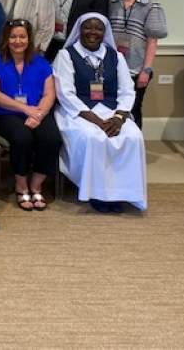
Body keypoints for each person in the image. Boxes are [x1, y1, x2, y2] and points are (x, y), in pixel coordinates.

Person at [52, 13, 147, 212]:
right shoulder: (66, 55)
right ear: (79, 30)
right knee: (94, 137)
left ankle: (123, 192)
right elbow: (65, 93)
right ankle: (97, 194)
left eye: (98, 28)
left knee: (133, 136)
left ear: (105, 32)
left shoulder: (116, 56)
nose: (92, 32)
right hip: (78, 112)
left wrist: (119, 118)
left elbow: (127, 90)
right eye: (88, 27)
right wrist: (96, 120)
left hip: (113, 112)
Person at [0, 19, 62, 210]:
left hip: (38, 112)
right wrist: (25, 109)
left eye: (22, 36)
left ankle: (36, 184)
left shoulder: (41, 63)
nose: (17, 41)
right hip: (5, 113)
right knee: (22, 138)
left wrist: (39, 113)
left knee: (51, 138)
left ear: (29, 39)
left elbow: (49, 94)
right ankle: (21, 185)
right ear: (6, 39)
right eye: (13, 36)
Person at [108, 0, 168, 128]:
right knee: (112, 109)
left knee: (132, 110)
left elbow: (152, 40)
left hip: (136, 68)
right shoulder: (112, 2)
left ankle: (134, 150)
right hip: (113, 66)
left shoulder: (151, 5)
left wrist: (146, 70)